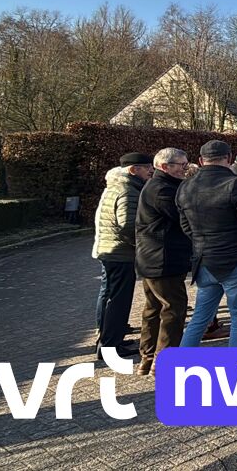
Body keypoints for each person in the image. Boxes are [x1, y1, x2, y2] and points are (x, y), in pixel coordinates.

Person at [176, 140, 237, 348]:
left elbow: (185, 225)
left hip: (205, 260)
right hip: (236, 260)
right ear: (230, 158)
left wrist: (201, 245)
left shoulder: (185, 186)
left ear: (201, 160)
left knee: (200, 318)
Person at [134, 147, 192, 375]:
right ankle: (163, 359)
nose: (185, 169)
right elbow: (183, 218)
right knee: (174, 309)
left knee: (153, 307)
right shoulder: (162, 190)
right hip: (163, 260)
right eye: (181, 165)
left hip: (152, 258)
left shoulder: (159, 185)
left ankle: (147, 358)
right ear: (165, 166)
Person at [93, 152, 152, 361]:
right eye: (147, 167)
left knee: (108, 295)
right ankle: (110, 345)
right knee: (118, 300)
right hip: (120, 253)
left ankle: (107, 338)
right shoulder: (128, 190)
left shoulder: (114, 186)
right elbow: (128, 225)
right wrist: (141, 245)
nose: (150, 171)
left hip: (109, 249)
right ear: (133, 170)